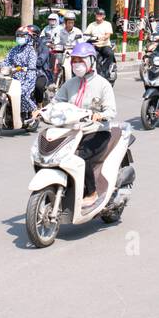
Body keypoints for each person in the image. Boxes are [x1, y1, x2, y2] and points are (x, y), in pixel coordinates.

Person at [45, 41, 118, 204]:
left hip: (96, 131)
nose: (77, 64)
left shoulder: (103, 85)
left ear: (91, 61)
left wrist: (100, 116)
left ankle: (91, 192)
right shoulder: (69, 83)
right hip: (71, 131)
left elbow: (111, 111)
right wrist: (42, 110)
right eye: (75, 61)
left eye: (81, 60)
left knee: (81, 158)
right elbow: (57, 101)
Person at [4, 26, 39, 119]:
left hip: (27, 77)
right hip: (13, 77)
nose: (20, 38)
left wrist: (25, 70)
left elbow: (31, 67)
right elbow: (6, 61)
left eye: (22, 36)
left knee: (22, 93)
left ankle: (32, 110)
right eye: (18, 36)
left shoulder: (31, 51)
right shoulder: (14, 49)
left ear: (28, 37)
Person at [85, 7, 115, 77]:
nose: (99, 15)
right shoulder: (91, 25)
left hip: (104, 45)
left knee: (110, 54)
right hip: (94, 46)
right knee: (90, 57)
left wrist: (103, 38)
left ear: (104, 16)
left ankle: (105, 71)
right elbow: (86, 34)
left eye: (101, 14)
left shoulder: (107, 24)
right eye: (97, 14)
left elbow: (107, 35)